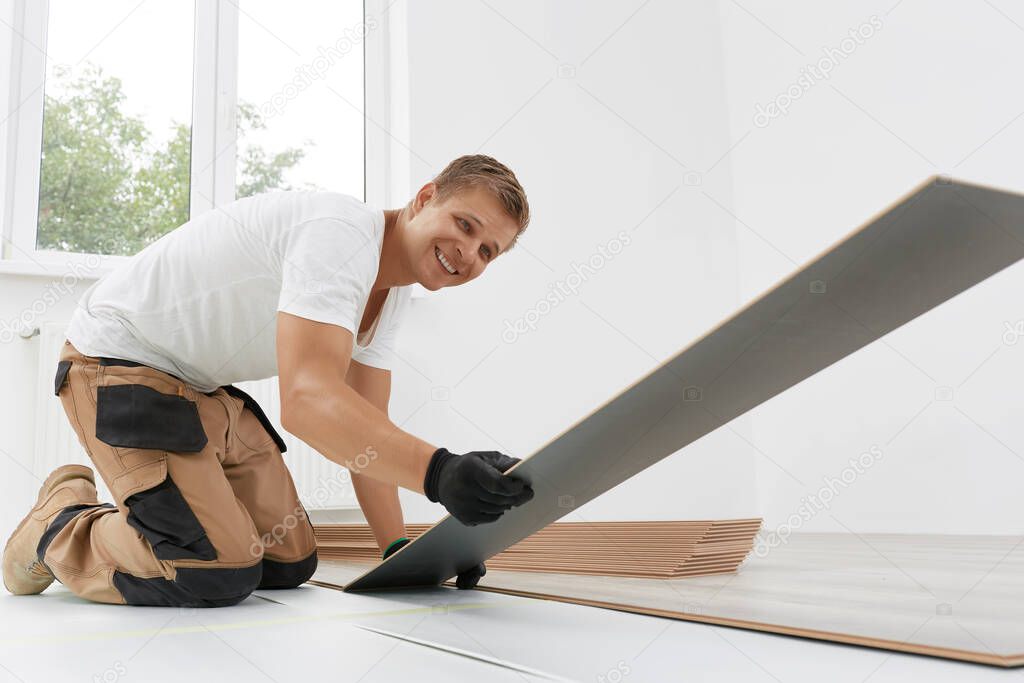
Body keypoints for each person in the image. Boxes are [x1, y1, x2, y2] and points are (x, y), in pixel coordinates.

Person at [2, 154, 535, 607]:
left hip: (198, 395)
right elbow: (306, 401)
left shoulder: (390, 294)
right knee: (215, 570)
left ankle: (162, 515)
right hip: (116, 365)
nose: (469, 252)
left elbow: (367, 433)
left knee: (288, 560)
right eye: (466, 225)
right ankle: (63, 524)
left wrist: (400, 550)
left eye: (488, 250)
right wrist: (440, 472)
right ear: (425, 198)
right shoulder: (343, 233)